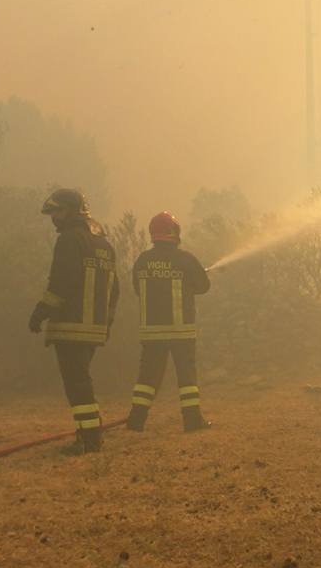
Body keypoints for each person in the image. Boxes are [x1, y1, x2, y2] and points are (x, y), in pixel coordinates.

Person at [29, 188, 119, 454]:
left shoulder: (70, 239)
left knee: (77, 384)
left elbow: (61, 281)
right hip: (94, 327)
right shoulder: (104, 243)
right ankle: (89, 433)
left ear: (71, 211)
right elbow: (115, 288)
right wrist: (107, 321)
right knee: (82, 380)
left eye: (57, 212)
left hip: (70, 325)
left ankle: (90, 439)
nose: (54, 218)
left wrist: (40, 311)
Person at [126, 211, 211, 433]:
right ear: (175, 233)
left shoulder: (142, 260)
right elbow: (203, 287)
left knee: (147, 377)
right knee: (186, 377)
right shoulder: (185, 259)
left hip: (152, 332)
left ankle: (136, 420)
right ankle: (192, 421)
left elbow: (137, 289)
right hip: (181, 331)